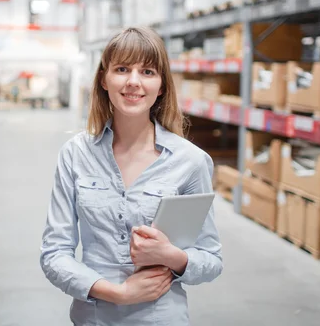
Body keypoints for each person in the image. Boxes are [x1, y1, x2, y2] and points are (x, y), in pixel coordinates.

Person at [40, 27, 223, 325]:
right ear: (104, 79)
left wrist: (171, 256)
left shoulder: (190, 161)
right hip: (95, 317)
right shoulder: (75, 155)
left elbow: (211, 259)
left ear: (161, 85)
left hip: (161, 317)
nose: (133, 82)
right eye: (122, 69)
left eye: (148, 71)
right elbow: (54, 253)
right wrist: (118, 293)